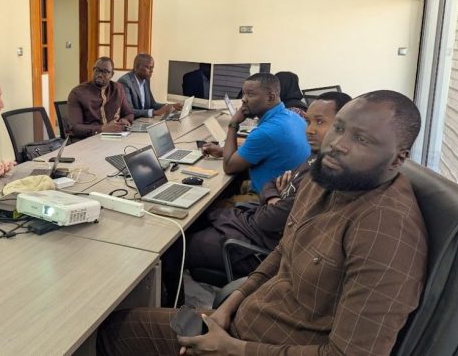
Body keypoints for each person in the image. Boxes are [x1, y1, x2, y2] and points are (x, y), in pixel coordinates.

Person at [97, 90, 427, 356]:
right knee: (115, 325)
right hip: (242, 322)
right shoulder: (324, 180)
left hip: (254, 345)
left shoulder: (385, 232)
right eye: (339, 128)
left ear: (398, 158)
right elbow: (283, 252)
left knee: (112, 335)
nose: (337, 145)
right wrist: (228, 307)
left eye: (362, 140)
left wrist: (232, 348)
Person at [162, 92, 352, 303]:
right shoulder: (316, 157)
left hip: (259, 248)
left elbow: (266, 221)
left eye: (320, 122)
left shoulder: (321, 175)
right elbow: (272, 182)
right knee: (202, 217)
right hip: (262, 226)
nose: (310, 130)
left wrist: (273, 200)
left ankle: (172, 306)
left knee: (176, 245)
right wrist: (273, 198)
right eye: (308, 121)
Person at [202, 73, 310, 193]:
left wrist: (233, 124)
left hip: (269, 199)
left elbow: (228, 167)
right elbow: (267, 149)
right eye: (244, 93)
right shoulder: (294, 117)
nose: (244, 99)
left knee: (212, 198)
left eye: (250, 94)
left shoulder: (266, 132)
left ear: (270, 98)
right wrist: (222, 151)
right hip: (292, 192)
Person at [66, 57, 134, 139]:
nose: (99, 75)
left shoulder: (117, 88)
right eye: (97, 70)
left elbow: (129, 114)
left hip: (113, 137)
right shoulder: (78, 93)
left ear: (112, 74)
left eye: (105, 72)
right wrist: (102, 129)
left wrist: (125, 120)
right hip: (86, 140)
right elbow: (74, 127)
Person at [117, 53, 182, 119]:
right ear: (136, 67)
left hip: (143, 120)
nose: (151, 71)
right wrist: (154, 112)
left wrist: (170, 106)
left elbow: (152, 104)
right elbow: (128, 111)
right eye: (148, 67)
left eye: (152, 68)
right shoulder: (125, 82)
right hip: (130, 121)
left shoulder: (146, 80)